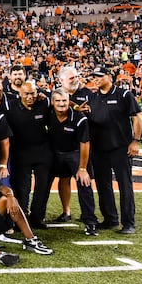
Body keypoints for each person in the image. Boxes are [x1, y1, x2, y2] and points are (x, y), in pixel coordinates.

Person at [88, 65, 142, 234]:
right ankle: (110, 219)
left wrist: (136, 141)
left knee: (125, 186)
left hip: (120, 148)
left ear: (109, 77)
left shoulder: (124, 94)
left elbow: (137, 117)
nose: (96, 79)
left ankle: (129, 223)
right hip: (98, 149)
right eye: (94, 77)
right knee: (103, 186)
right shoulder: (92, 97)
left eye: (99, 76)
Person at [48, 88, 98, 236]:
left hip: (75, 154)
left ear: (68, 101)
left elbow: (85, 144)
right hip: (55, 153)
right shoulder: (49, 113)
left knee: (84, 182)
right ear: (52, 102)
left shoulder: (79, 118)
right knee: (58, 181)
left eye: (64, 101)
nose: (61, 104)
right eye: (58, 101)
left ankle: (90, 221)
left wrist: (82, 168)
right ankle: (65, 212)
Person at [4, 81, 53, 229]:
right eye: (26, 94)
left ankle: (37, 218)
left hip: (42, 152)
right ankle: (21, 219)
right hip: (21, 153)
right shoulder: (11, 107)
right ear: (20, 93)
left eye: (33, 93)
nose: (30, 97)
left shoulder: (44, 103)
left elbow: (60, 98)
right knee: (22, 189)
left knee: (42, 187)